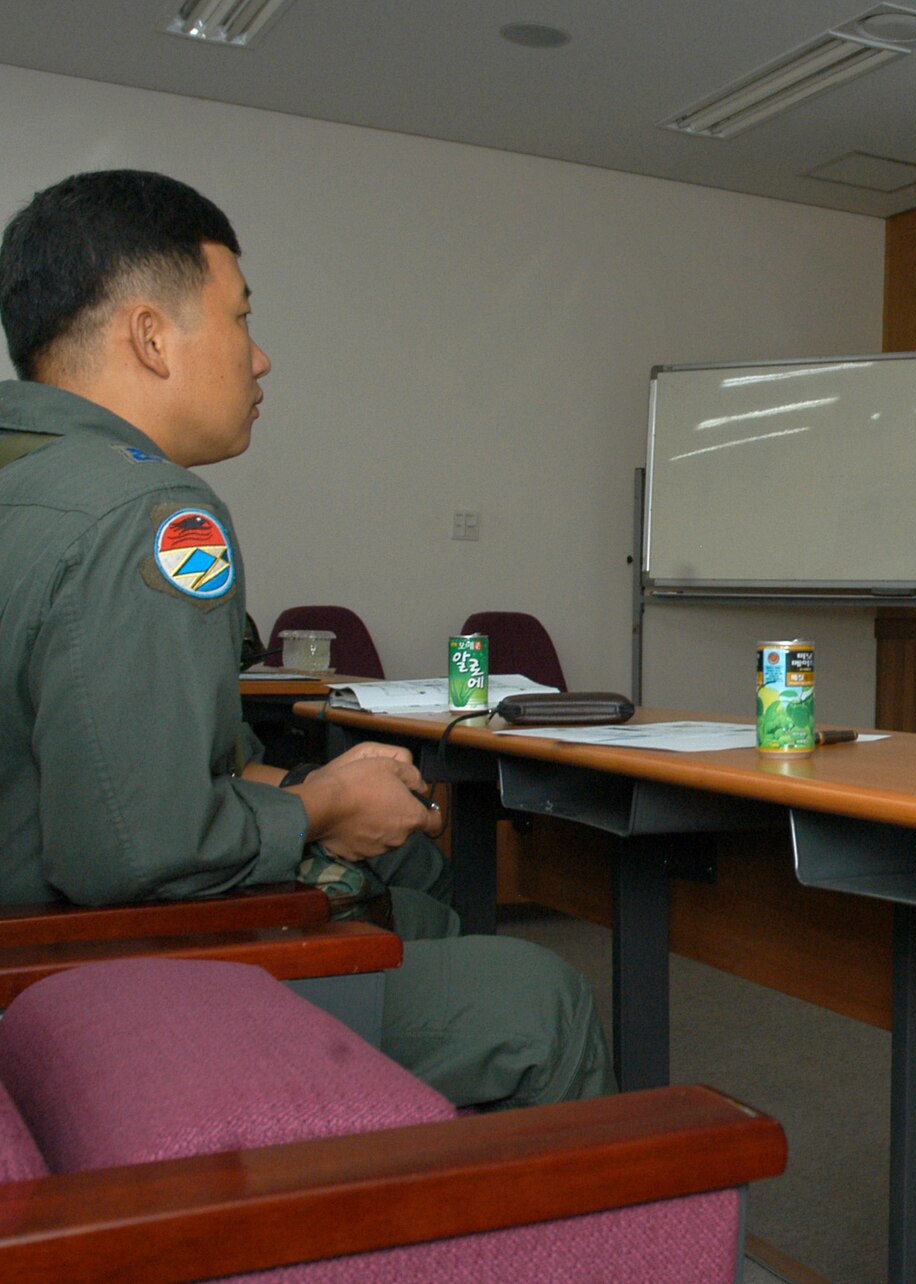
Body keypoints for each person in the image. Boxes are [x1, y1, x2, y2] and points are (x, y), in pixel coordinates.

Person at [0, 170, 614, 1110]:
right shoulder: (149, 514)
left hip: (41, 945)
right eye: (241, 318)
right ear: (151, 337)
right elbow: (134, 852)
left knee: (411, 897)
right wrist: (321, 805)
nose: (261, 359)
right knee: (542, 1001)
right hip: (91, 974)